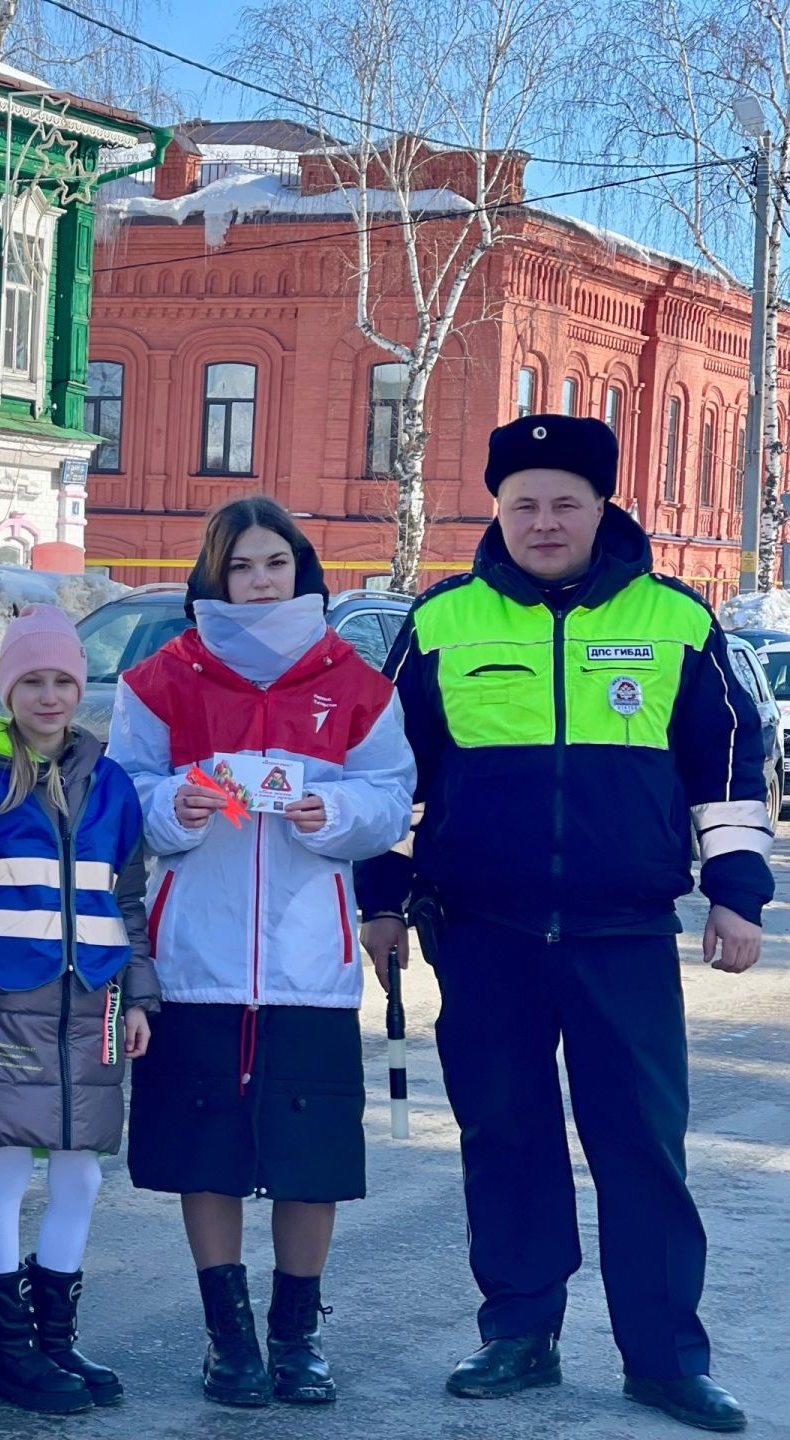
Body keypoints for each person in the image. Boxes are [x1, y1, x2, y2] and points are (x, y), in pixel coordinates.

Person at [354, 415, 773, 1434]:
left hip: (621, 932)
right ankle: (519, 1332)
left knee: (640, 1144)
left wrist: (736, 887)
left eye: (565, 503)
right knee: (507, 1137)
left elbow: (725, 764)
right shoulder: (443, 621)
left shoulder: (676, 619)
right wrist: (381, 896)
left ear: (600, 508)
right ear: (498, 509)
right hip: (481, 927)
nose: (544, 522)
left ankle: (666, 1356)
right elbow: (392, 771)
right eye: (524, 502)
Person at [108, 498, 415, 1408]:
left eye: (275, 563)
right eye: (241, 566)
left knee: (307, 1156)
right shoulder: (162, 677)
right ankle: (228, 1339)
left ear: (302, 570)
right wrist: (175, 809)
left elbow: (391, 798)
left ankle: (297, 1336)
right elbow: (126, 794)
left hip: (308, 963)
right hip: (196, 959)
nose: (260, 580)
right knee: (208, 1153)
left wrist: (341, 816)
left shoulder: (353, 680)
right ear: (215, 576)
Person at [0, 605, 156, 1417]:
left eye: (63, 680)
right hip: (2, 1002)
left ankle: (53, 1342)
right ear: (7, 688)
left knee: (82, 1176)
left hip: (90, 1007)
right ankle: (5, 1350)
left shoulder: (111, 782)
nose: (51, 695)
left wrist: (138, 997)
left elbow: (126, 899)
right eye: (33, 681)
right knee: (4, 1171)